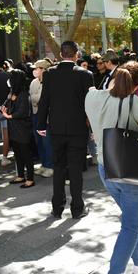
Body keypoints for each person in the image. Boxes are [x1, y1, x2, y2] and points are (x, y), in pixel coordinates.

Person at [85, 68, 138, 274]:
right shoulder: (132, 102)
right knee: (130, 226)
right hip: (132, 171)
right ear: (137, 86)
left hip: (106, 168)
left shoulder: (91, 96)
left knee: (130, 221)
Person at [37, 41, 94, 219]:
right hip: (78, 129)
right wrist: (93, 127)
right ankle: (77, 208)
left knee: (59, 167)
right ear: (76, 54)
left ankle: (57, 208)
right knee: (76, 169)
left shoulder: (50, 74)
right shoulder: (86, 75)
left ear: (61, 55)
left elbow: (44, 101)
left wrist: (40, 124)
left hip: (57, 128)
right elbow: (91, 105)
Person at [1, 69, 35, 188]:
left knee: (26, 154)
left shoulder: (24, 94)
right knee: (17, 154)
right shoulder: (12, 92)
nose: (9, 81)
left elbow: (23, 112)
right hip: (14, 129)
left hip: (23, 129)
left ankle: (30, 178)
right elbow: (5, 104)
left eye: (11, 78)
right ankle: (20, 175)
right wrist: (5, 107)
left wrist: (9, 116)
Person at [30, 59, 54, 178]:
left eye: (37, 68)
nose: (35, 71)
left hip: (47, 117)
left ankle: (50, 166)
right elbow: (33, 98)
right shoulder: (34, 82)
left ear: (44, 69)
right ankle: (44, 164)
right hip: (36, 115)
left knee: (47, 142)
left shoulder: (51, 81)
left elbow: (40, 98)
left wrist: (35, 98)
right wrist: (36, 98)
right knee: (39, 141)